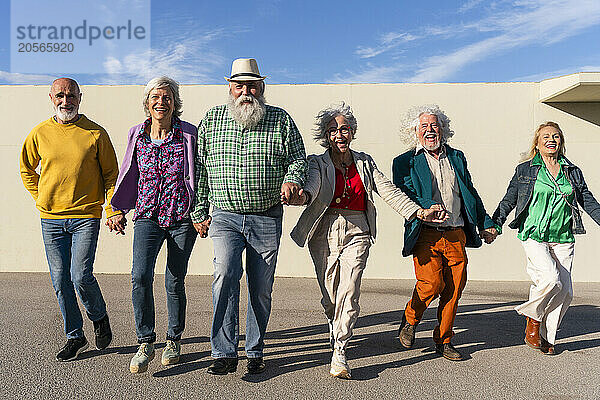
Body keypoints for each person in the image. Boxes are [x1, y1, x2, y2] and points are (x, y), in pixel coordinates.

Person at [289, 103, 447, 379]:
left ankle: (340, 350)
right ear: (326, 135)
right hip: (323, 228)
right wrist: (301, 197)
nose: (340, 135)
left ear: (352, 133)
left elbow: (388, 190)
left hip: (358, 228)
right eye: (333, 130)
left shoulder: (364, 162)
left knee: (349, 290)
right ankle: (333, 321)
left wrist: (419, 212)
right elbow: (312, 187)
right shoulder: (317, 163)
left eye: (345, 129)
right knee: (330, 296)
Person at [191, 58, 307, 375]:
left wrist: (292, 180)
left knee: (260, 287)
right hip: (225, 216)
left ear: (262, 88)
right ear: (230, 88)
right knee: (225, 276)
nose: (246, 91)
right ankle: (223, 351)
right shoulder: (212, 120)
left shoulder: (281, 120)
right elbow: (199, 169)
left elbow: (299, 159)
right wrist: (199, 210)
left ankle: (254, 350)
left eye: (252, 85)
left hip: (267, 216)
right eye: (239, 85)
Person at [19, 78, 123, 361]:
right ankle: (75, 336)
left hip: (85, 216)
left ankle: (99, 316)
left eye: (72, 96)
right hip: (50, 219)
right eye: (61, 96)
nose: (66, 101)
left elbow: (111, 176)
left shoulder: (95, 134)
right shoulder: (39, 133)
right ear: (51, 98)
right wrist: (41, 196)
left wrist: (112, 209)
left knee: (80, 276)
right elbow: (27, 168)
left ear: (80, 97)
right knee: (60, 280)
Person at [392, 104, 498, 361]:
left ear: (443, 129)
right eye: (424, 127)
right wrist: (426, 208)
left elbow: (469, 192)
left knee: (453, 289)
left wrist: (485, 222)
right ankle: (410, 319)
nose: (430, 130)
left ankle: (444, 339)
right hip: (426, 233)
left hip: (455, 232)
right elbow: (404, 194)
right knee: (431, 284)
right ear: (415, 132)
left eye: (434, 125)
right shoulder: (404, 161)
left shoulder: (457, 157)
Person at [111, 76, 198, 373]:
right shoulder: (137, 134)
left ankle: (173, 339)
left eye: (167, 97)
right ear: (147, 103)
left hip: (180, 217)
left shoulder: (188, 133)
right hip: (147, 215)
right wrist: (118, 208)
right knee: (140, 276)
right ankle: (145, 340)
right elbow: (127, 172)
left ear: (175, 102)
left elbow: (198, 173)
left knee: (174, 280)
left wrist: (200, 212)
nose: (161, 102)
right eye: (155, 97)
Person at [492, 122, 600, 355]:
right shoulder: (525, 170)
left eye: (556, 136)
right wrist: (494, 224)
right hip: (534, 234)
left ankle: (547, 337)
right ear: (537, 143)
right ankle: (533, 321)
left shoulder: (572, 171)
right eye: (546, 137)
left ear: (561, 141)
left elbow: (587, 200)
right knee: (550, 280)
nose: (551, 140)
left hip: (563, 236)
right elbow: (509, 200)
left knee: (566, 292)